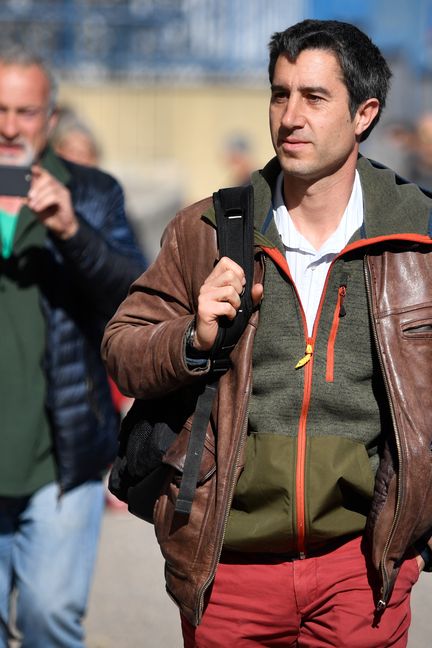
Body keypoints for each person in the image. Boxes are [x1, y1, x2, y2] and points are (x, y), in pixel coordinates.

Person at [102, 19, 432, 647]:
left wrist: (414, 535)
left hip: (360, 572)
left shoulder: (419, 239)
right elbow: (122, 348)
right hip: (228, 568)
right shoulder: (205, 229)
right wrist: (191, 339)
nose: (289, 116)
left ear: (364, 113)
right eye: (280, 94)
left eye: (313, 97)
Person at [0, 47, 145, 647]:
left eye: (25, 111)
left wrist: (71, 232)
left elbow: (138, 295)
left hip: (61, 456)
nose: (9, 127)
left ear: (51, 117)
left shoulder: (90, 193)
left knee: (49, 617)